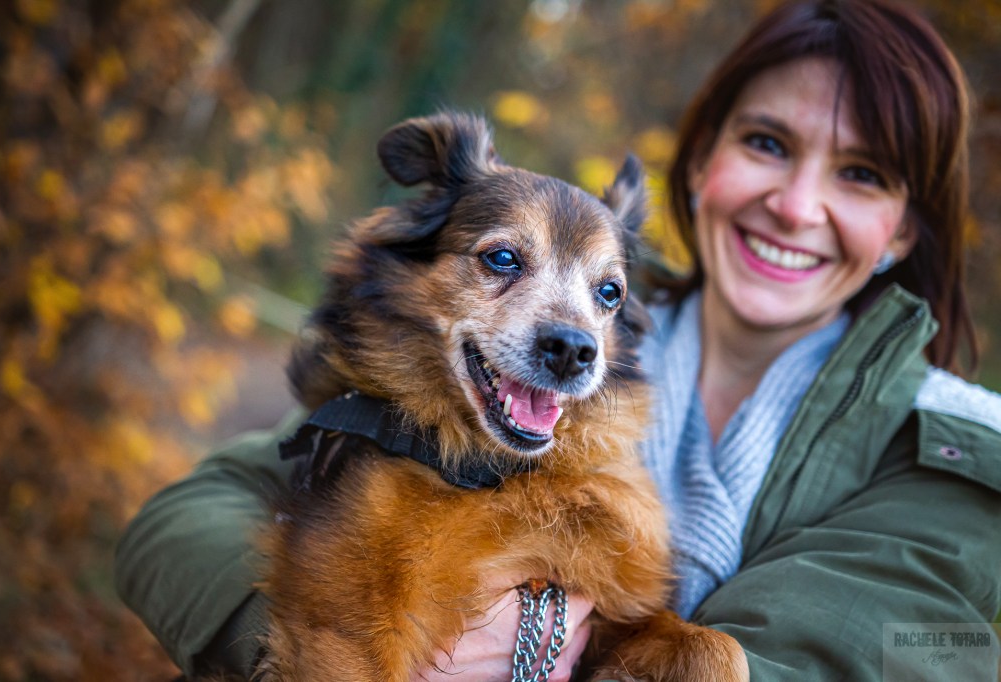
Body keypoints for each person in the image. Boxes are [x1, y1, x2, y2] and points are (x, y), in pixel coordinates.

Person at [115, 0, 1001, 679]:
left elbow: (900, 656)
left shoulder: (955, 457)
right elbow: (187, 515)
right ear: (700, 164)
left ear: (903, 230)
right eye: (767, 143)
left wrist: (542, 656)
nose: (798, 205)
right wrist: (302, 636)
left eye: (861, 174)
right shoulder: (425, 390)